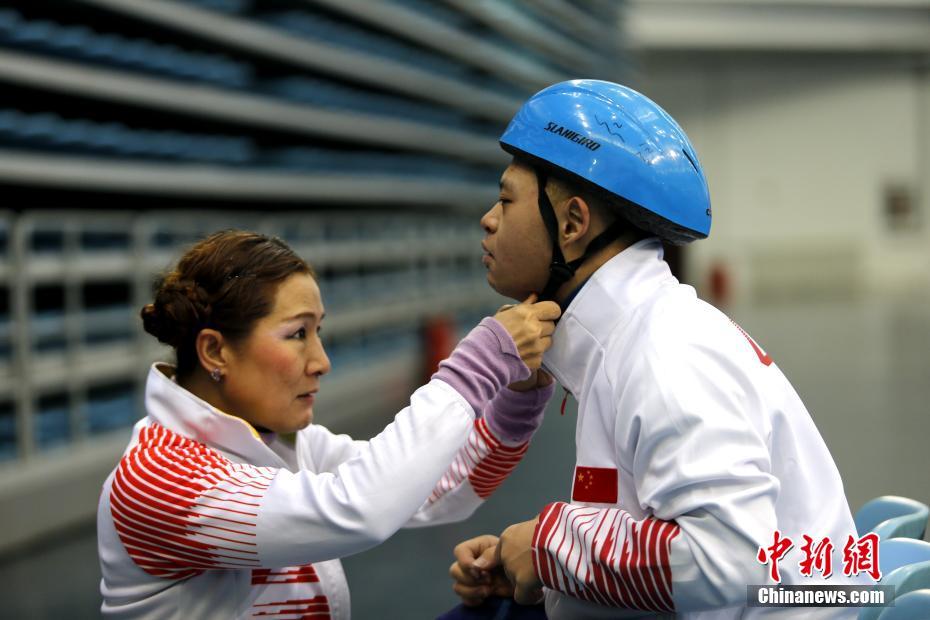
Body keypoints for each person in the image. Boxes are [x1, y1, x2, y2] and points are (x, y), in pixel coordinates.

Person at [449, 80, 865, 618]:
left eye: (506, 199)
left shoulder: (664, 354)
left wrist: (549, 547)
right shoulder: (633, 339)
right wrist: (551, 581)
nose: (489, 218)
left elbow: (732, 560)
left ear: (572, 224)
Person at [96, 230, 561, 618]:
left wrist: (516, 399)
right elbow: (360, 509)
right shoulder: (159, 477)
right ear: (215, 351)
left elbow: (440, 488)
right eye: (297, 334)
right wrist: (476, 366)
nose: (321, 361)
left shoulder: (283, 445)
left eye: (318, 331)